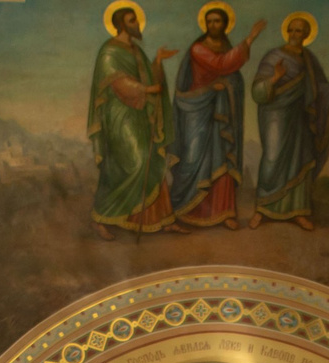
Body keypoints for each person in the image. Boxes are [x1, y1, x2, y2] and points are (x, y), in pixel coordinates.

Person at [250, 13, 329, 229]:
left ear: (306, 35)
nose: (295, 34)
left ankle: (298, 212)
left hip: (301, 118)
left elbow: (321, 87)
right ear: (287, 32)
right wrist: (275, 78)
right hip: (275, 116)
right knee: (272, 158)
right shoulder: (273, 56)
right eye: (293, 30)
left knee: (301, 160)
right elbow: (257, 92)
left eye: (300, 31)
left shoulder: (309, 59)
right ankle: (262, 209)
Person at [169, 7, 263, 228]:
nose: (213, 25)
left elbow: (230, 74)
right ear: (205, 24)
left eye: (217, 21)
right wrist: (249, 40)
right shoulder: (197, 48)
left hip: (221, 114)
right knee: (194, 158)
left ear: (224, 24)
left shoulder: (226, 47)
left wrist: (228, 85)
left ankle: (225, 212)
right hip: (198, 110)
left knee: (222, 158)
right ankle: (186, 208)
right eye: (209, 21)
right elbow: (221, 64)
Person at [89, 4, 177, 237]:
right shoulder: (109, 51)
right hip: (119, 115)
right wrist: (148, 89)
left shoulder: (136, 50)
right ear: (120, 24)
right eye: (131, 20)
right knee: (132, 163)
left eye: (136, 20)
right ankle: (102, 216)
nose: (136, 25)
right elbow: (118, 83)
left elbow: (147, 76)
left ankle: (160, 218)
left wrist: (157, 61)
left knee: (152, 160)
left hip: (139, 113)